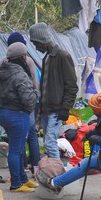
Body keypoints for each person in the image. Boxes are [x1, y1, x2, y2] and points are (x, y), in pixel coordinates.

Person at [0, 42, 40, 192]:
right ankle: (16, 184)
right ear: (23, 57)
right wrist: (36, 94)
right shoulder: (19, 74)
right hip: (17, 115)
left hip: (3, 113)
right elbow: (28, 99)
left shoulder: (0, 71)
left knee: (19, 147)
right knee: (16, 149)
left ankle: (23, 178)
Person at [29, 22, 78, 159]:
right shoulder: (47, 58)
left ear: (43, 40)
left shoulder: (62, 56)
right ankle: (54, 172)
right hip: (47, 109)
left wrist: (66, 107)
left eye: (36, 43)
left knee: (50, 143)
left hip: (56, 109)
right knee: (47, 142)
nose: (36, 47)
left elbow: (72, 85)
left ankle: (58, 176)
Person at [0, 32, 41, 175]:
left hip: (7, 109)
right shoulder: (27, 61)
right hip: (24, 106)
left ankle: (21, 169)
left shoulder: (2, 63)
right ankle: (34, 168)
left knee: (16, 140)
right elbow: (34, 82)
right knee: (30, 135)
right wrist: (34, 98)